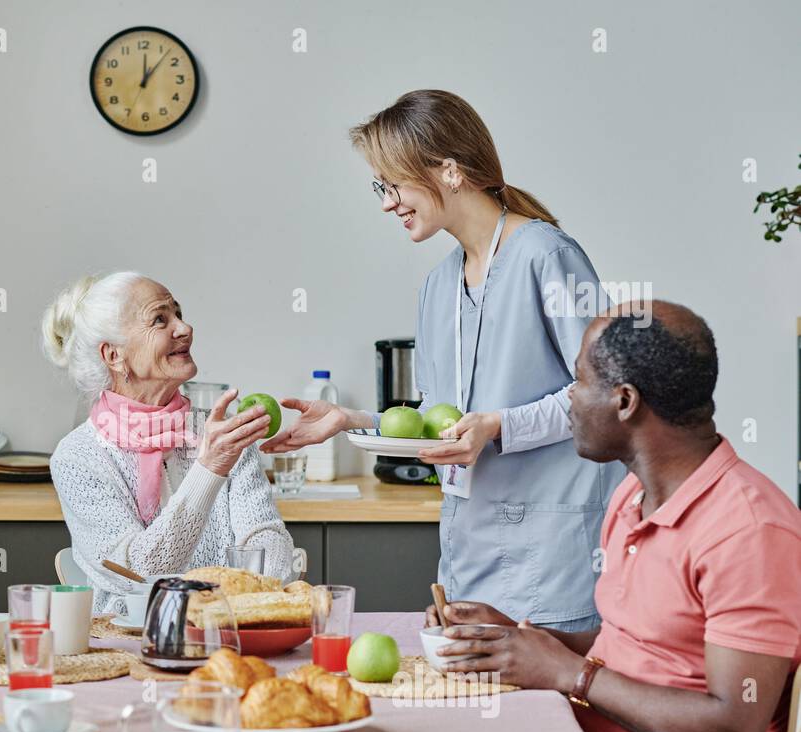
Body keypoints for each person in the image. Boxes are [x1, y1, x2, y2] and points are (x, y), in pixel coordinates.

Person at [426, 302, 801, 732]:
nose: (569, 400)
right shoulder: (633, 495)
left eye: (577, 381)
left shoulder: (749, 530)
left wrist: (568, 673)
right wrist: (519, 639)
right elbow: (636, 646)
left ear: (624, 402)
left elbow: (732, 729)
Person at [264, 90, 625, 631]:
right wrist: (356, 422)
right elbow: (444, 417)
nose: (387, 203)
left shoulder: (547, 256)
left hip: (552, 556)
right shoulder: (437, 287)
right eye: (380, 188)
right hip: (468, 551)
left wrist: (499, 426)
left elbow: (607, 393)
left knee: (539, 712)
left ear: (450, 171)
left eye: (393, 185)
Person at [42, 272, 294, 614]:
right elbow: (138, 574)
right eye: (160, 319)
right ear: (114, 355)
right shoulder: (77, 458)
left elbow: (271, 550)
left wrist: (217, 614)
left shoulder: (223, 434)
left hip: (227, 637)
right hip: (127, 647)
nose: (184, 327)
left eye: (179, 313)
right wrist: (209, 470)